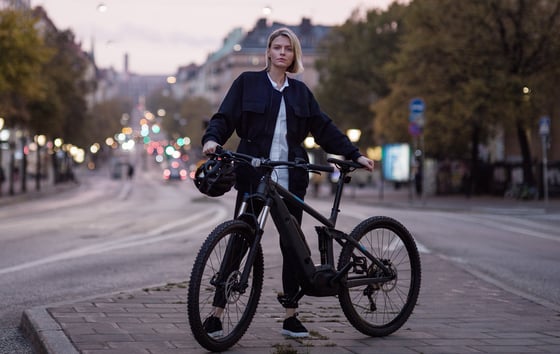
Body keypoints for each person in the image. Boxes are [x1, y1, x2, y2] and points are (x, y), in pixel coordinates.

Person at [201, 27, 374, 338]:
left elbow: (324, 128)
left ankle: (291, 315)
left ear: (294, 56)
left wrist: (354, 154)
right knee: (240, 240)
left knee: (292, 245)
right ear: (268, 52)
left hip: (291, 177)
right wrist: (212, 139)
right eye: (277, 47)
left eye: (288, 49)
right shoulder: (247, 83)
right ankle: (216, 312)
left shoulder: (300, 93)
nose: (282, 52)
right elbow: (224, 117)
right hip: (254, 175)